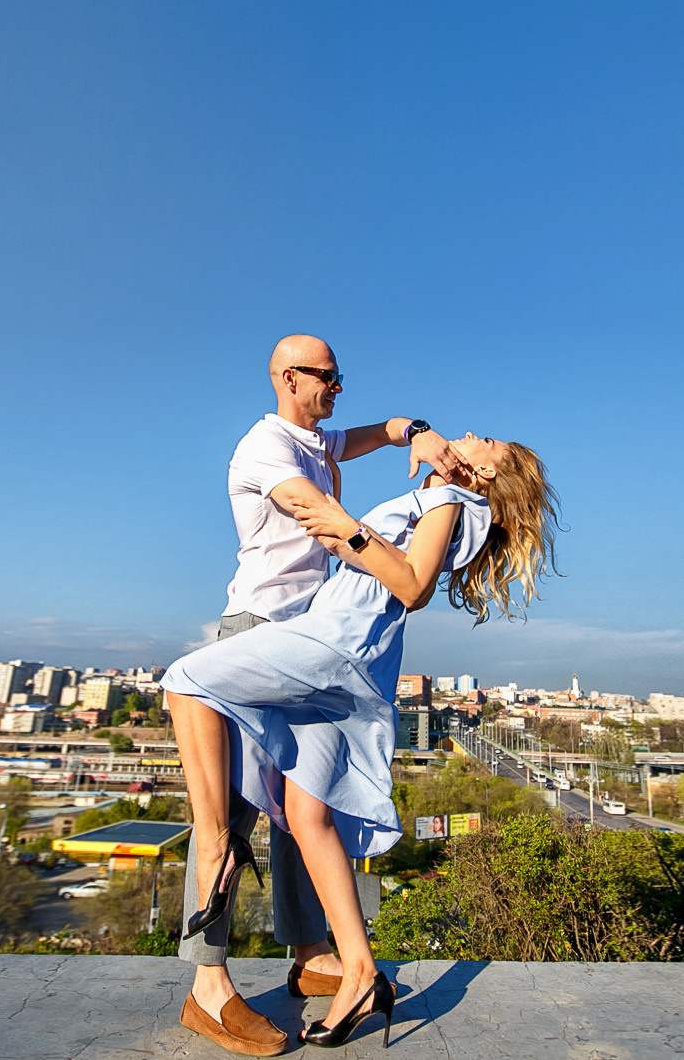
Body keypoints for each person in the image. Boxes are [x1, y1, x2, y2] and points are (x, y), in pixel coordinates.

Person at [166, 432, 558, 1050]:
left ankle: (218, 847)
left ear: (485, 473)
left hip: (334, 641)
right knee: (307, 814)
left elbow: (413, 586)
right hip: (355, 653)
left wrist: (347, 527)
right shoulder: (442, 497)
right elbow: (368, 541)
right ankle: (360, 973)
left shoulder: (449, 500)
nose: (473, 436)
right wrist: (391, 456)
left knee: (185, 679)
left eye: (488, 443)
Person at [176, 334, 470, 1056]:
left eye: (341, 378)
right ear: (288, 377)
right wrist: (389, 546)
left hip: (309, 639)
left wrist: (416, 431)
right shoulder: (266, 448)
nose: (338, 388)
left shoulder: (317, 439)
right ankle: (207, 988)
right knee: (234, 812)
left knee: (304, 803)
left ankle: (310, 953)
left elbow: (377, 431)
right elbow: (313, 511)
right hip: (258, 630)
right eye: (328, 378)